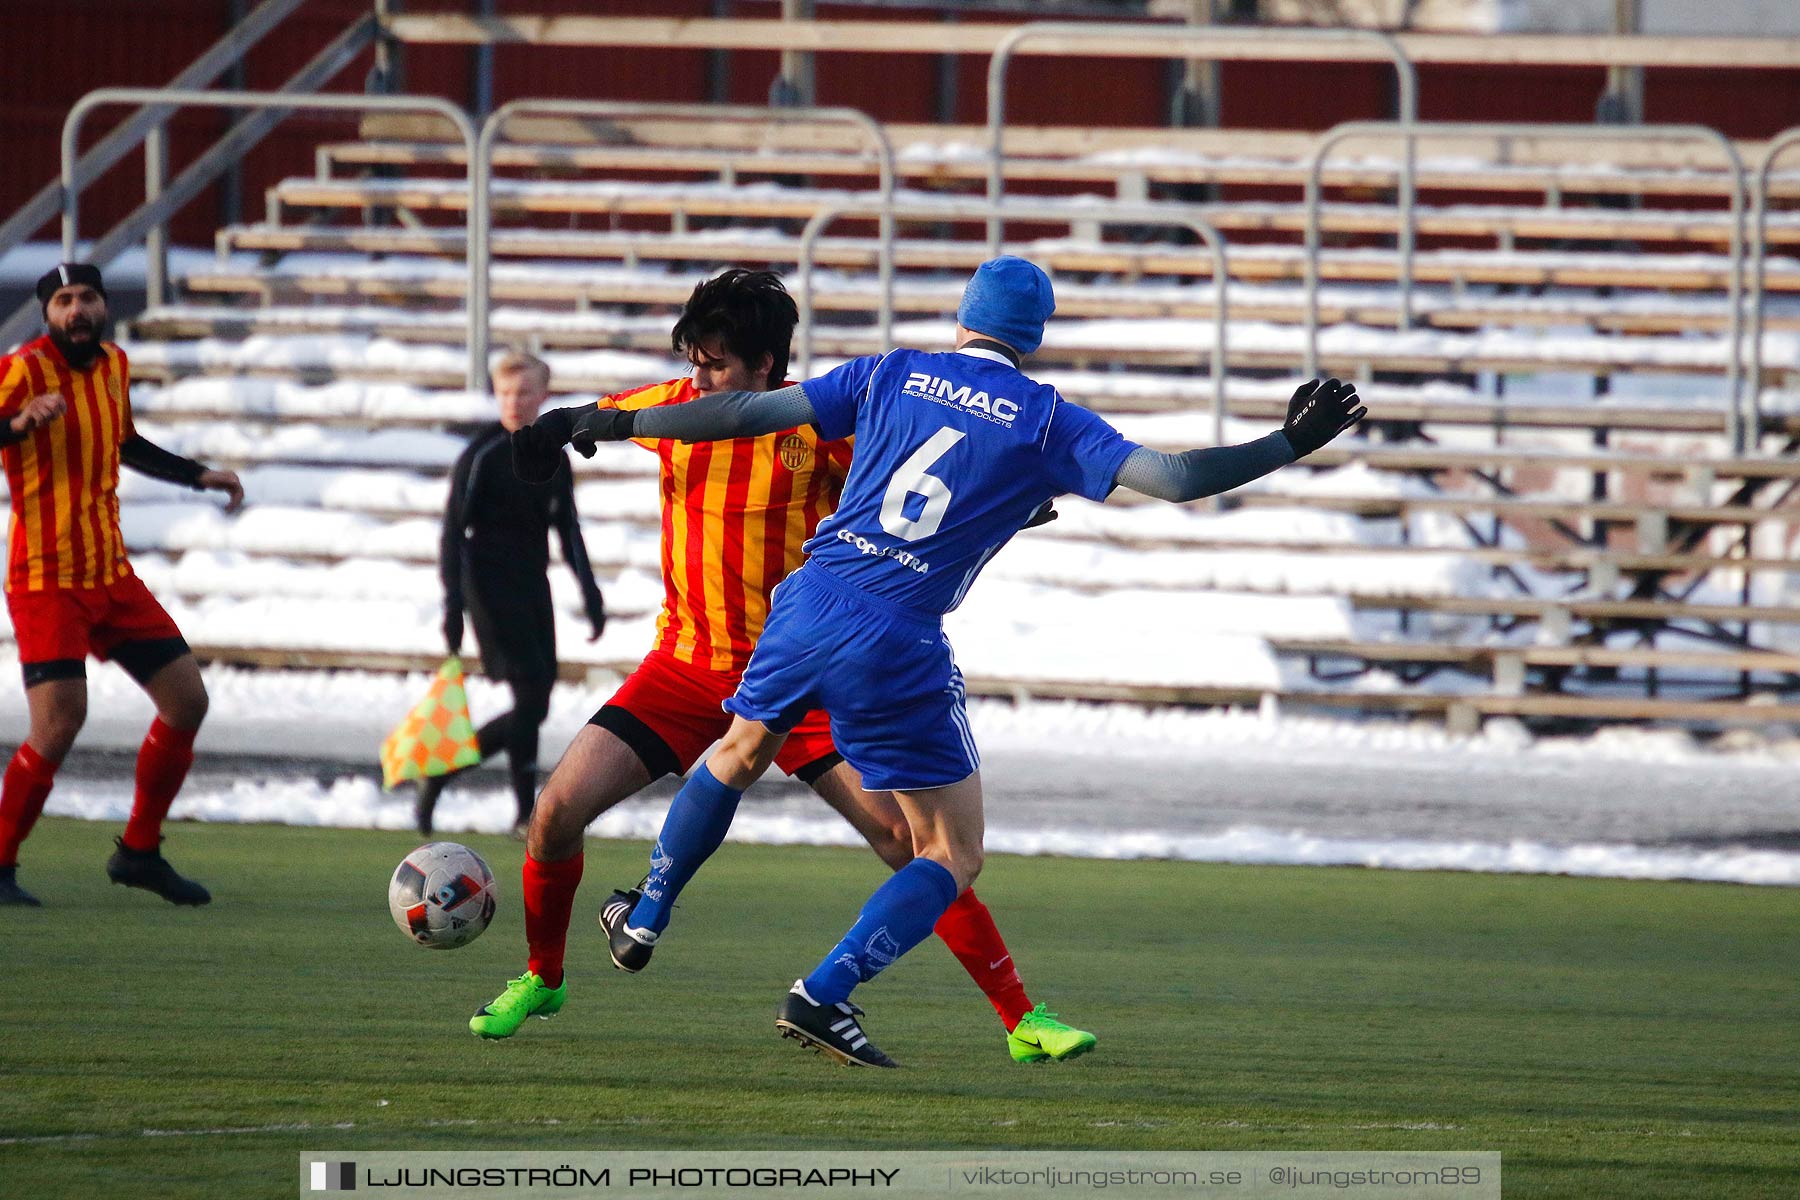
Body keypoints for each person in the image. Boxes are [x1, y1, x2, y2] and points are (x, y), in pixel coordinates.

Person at [522, 255, 1366, 1067]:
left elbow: (745, 415)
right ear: (1033, 335)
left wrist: (611, 421)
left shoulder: (889, 371)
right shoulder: (1046, 420)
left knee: (737, 752)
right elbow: (1176, 478)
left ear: (963, 317)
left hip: (809, 598)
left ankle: (647, 915)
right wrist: (1290, 441)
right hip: (895, 636)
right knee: (947, 853)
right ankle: (826, 991)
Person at [475, 269, 1095, 1066]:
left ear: (767, 365)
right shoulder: (671, 409)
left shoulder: (825, 426)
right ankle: (543, 975)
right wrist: (549, 437)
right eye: (693, 361)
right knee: (556, 810)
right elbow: (597, 423)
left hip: (798, 676)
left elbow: (921, 480)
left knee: (910, 843)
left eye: (716, 366)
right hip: (687, 665)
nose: (698, 379)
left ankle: (1020, 1018)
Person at [0, 263, 245, 908]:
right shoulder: (22, 369)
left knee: (187, 700)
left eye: (86, 298)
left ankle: (139, 851)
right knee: (59, 724)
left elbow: (123, 442)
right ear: (46, 313)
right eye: (62, 301)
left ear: (104, 306)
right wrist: (19, 424)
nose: (76, 309)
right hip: (47, 577)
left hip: (110, 573)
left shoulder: (113, 363)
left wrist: (198, 476)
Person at [422, 350, 607, 837]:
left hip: (532, 586)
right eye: (505, 392)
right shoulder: (481, 454)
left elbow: (567, 529)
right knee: (529, 701)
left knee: (537, 703)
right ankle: (522, 811)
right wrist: (453, 604)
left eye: (524, 392)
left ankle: (457, 775)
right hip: (486, 586)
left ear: (543, 396)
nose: (514, 401)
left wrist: (590, 592)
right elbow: (451, 532)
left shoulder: (551, 456)